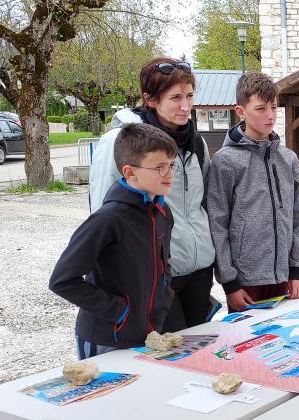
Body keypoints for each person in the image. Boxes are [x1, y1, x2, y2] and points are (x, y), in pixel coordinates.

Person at [89, 57, 216, 331]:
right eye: (175, 97)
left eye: (190, 96)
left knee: (196, 355)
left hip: (199, 269)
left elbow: (203, 201)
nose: (186, 106)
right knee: (167, 357)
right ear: (150, 99)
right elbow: (102, 210)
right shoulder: (119, 142)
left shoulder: (197, 142)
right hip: (155, 274)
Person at [50, 123, 178, 359]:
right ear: (130, 172)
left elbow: (163, 266)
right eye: (160, 167)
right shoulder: (107, 220)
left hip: (149, 333)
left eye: (172, 165)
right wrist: (121, 312)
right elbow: (62, 281)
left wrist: (164, 296)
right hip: (107, 338)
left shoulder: (162, 212)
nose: (169, 174)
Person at [206, 72, 299, 312]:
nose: (270, 115)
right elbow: (217, 223)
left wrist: (297, 269)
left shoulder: (288, 159)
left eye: (274, 107)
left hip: (286, 279)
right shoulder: (225, 161)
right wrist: (230, 283)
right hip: (245, 284)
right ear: (241, 111)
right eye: (261, 108)